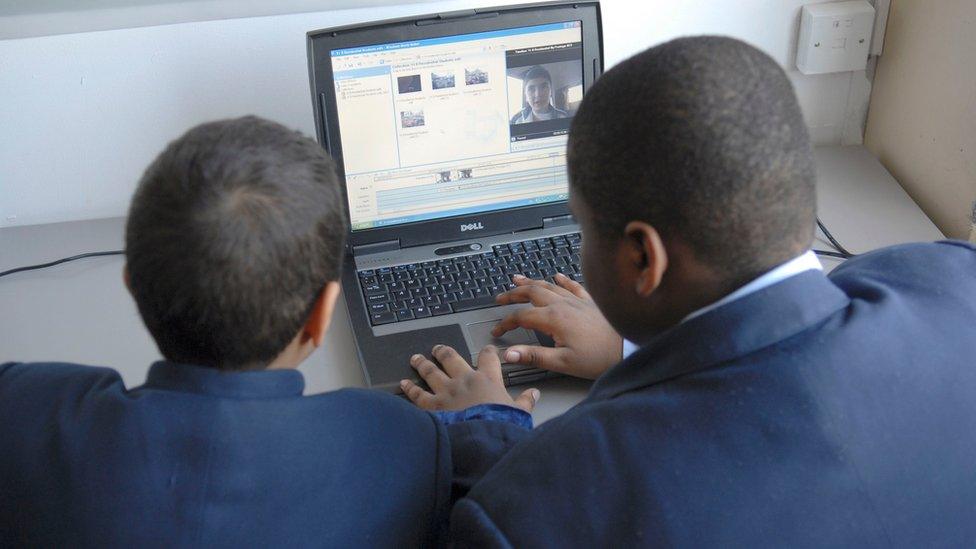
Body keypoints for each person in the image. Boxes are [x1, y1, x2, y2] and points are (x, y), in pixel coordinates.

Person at [401, 36, 976, 546]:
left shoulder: (543, 502)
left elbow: (539, 513)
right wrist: (636, 347)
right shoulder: (953, 278)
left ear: (643, 258)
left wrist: (487, 437)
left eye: (581, 225)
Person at [0, 116, 538, 546]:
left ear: (133, 286)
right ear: (322, 314)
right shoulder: (399, 439)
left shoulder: (24, 412)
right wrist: (494, 422)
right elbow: (516, 518)